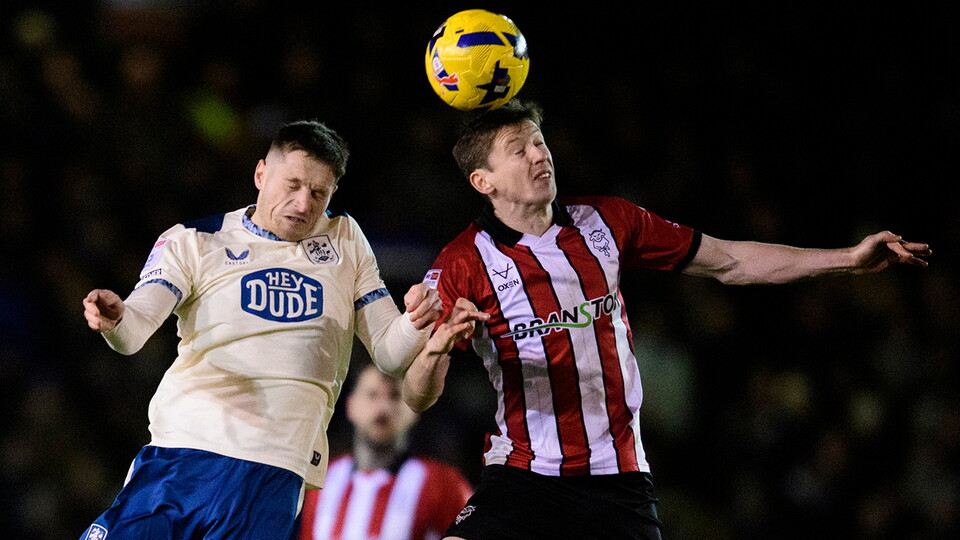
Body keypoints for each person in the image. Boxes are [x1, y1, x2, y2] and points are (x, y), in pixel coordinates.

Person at [401, 100, 932, 540]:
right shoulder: (462, 263)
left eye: (540, 142)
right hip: (523, 476)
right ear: (484, 181)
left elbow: (731, 260)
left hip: (618, 480)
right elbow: (417, 397)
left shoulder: (606, 221)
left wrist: (848, 259)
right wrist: (436, 350)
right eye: (519, 150)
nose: (540, 155)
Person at [78, 119, 446, 539]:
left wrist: (415, 321)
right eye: (293, 185)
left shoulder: (344, 240)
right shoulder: (196, 239)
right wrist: (117, 319)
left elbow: (390, 353)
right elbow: (134, 331)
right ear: (260, 174)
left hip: (275, 472)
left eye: (319, 194)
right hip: (183, 454)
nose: (303, 204)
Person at [298, 362, 473, 540]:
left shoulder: (442, 484)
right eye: (372, 395)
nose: (383, 408)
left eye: (394, 396)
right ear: (351, 405)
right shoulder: (322, 481)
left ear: (414, 409)